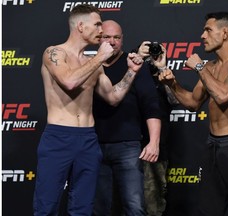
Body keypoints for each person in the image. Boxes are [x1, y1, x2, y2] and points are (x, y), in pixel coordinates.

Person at [33, 5, 144, 216]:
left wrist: (131, 72)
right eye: (97, 24)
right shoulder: (54, 52)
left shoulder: (93, 63)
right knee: (46, 206)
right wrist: (99, 58)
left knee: (83, 208)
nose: (101, 30)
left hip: (88, 139)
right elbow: (69, 81)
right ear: (81, 26)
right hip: (59, 137)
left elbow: (113, 97)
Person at [158, 12, 228, 216]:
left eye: (208, 30)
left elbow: (223, 95)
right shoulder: (211, 67)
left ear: (225, 33)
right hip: (213, 148)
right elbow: (193, 103)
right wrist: (172, 84)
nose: (202, 35)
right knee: (207, 211)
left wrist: (199, 66)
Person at [92, 20, 161, 216]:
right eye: (106, 37)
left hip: (128, 146)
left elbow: (151, 107)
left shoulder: (135, 64)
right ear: (98, 39)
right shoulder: (89, 65)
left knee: (134, 207)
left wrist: (154, 142)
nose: (112, 42)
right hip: (93, 145)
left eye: (117, 37)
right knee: (98, 208)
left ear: (122, 40)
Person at [137, 42, 179, 216]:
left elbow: (176, 100)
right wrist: (139, 59)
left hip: (156, 151)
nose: (153, 53)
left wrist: (162, 68)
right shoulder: (133, 71)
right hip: (127, 146)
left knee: (153, 205)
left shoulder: (164, 75)